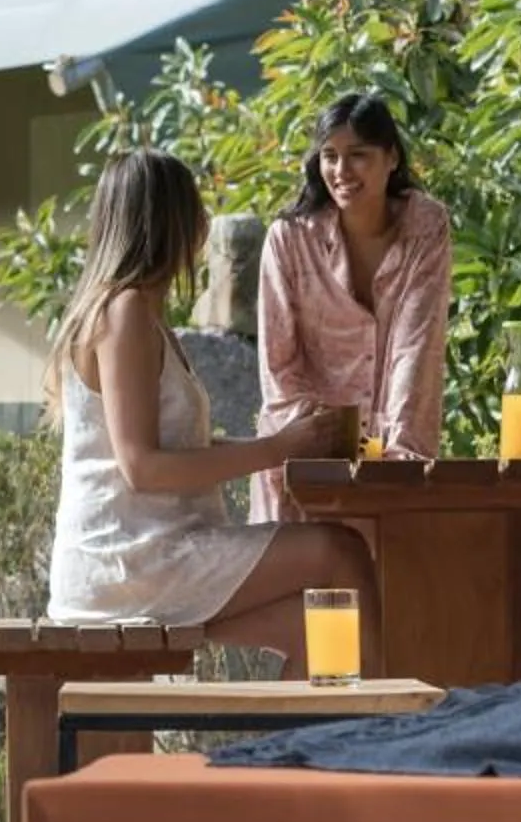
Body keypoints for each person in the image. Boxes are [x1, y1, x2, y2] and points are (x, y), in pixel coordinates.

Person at [47, 150, 373, 661]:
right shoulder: (125, 311)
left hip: (145, 556)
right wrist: (276, 449)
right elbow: (143, 467)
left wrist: (288, 447)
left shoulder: (141, 314)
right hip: (131, 562)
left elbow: (179, 449)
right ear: (168, 221)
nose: (201, 224)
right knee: (340, 552)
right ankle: (373, 733)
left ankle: (318, 741)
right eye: (194, 209)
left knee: (315, 629)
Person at [253, 93, 452, 520]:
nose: (341, 171)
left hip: (394, 456)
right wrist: (327, 449)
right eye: (330, 156)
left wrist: (397, 465)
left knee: (386, 584)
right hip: (303, 461)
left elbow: (415, 347)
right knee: (302, 585)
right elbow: (280, 368)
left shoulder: (425, 226)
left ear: (391, 158)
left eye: (358, 155)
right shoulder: (289, 239)